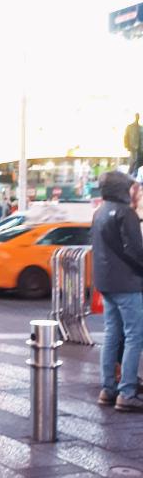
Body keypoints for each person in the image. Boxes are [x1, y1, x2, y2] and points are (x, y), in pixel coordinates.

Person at [91, 170, 143, 410]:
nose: (135, 191)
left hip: (106, 282)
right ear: (122, 188)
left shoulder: (100, 212)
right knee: (135, 336)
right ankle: (127, 392)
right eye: (132, 187)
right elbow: (135, 250)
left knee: (112, 334)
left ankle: (108, 388)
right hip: (128, 283)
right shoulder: (125, 213)